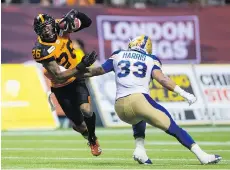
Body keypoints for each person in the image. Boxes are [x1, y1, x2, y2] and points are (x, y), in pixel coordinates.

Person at [82, 35, 222, 164]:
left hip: (120, 107)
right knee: (174, 127)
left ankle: (140, 150)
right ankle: (202, 156)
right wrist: (184, 93)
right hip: (139, 101)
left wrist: (75, 72)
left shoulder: (118, 54)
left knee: (138, 118)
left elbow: (97, 71)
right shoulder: (150, 59)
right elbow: (162, 79)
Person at [31, 9, 101, 156]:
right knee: (79, 125)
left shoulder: (60, 25)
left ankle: (93, 139)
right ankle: (87, 135)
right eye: (44, 29)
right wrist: (82, 65)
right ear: (38, 32)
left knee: (87, 110)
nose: (48, 30)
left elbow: (87, 22)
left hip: (76, 77)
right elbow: (59, 76)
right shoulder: (40, 50)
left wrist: (76, 13)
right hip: (61, 85)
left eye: (49, 26)